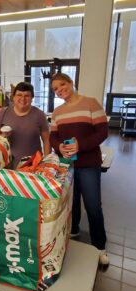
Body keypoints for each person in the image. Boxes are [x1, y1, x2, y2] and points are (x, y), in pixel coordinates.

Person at [49, 72, 109, 266]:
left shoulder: (91, 103)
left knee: (92, 205)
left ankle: (100, 246)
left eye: (62, 85)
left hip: (89, 164)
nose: (59, 91)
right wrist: (59, 147)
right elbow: (53, 137)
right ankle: (73, 231)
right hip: (67, 165)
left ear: (70, 82)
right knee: (70, 202)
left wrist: (80, 146)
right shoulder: (57, 112)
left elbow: (103, 132)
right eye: (55, 89)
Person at [0, 81, 51, 168]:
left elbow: (46, 140)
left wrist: (46, 162)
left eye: (27, 95)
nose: (23, 99)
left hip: (33, 163)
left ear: (32, 98)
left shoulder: (39, 115)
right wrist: (3, 135)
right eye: (19, 95)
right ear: (13, 97)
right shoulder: (4, 112)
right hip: (8, 163)